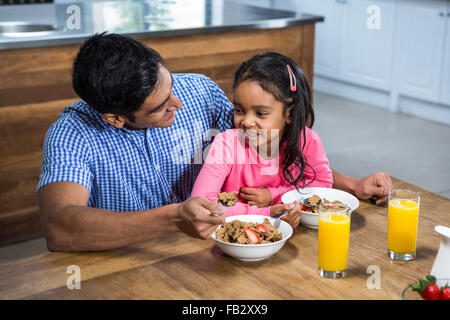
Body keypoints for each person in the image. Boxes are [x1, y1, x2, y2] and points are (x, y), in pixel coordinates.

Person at [36, 33, 392, 252]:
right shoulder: (72, 135)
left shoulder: (198, 91)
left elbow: (265, 144)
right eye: (161, 107)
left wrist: (348, 185)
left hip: (216, 246)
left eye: (170, 85)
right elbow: (62, 227)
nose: (177, 103)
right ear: (115, 117)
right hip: (133, 259)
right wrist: (175, 219)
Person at [191, 52, 333, 228]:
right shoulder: (225, 144)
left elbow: (323, 184)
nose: (247, 122)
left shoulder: (307, 140)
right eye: (239, 110)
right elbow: (202, 204)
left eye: (261, 113)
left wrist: (272, 195)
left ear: (289, 113)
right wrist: (266, 213)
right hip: (233, 234)